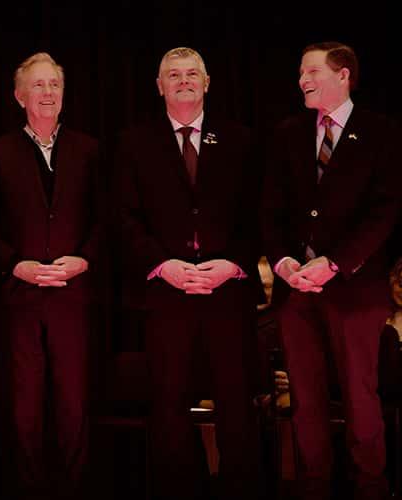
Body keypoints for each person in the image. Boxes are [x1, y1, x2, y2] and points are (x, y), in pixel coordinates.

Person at [116, 47, 263, 499]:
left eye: (192, 73)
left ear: (207, 81)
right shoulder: (133, 142)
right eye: (173, 74)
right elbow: (123, 217)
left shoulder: (240, 139)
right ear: (159, 85)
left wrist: (233, 264)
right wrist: (163, 265)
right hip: (166, 293)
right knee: (168, 407)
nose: (183, 81)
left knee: (238, 406)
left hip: (228, 292)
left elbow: (259, 214)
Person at [263, 41, 400, 500]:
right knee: (306, 404)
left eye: (312, 71)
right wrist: (284, 262)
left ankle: (371, 488)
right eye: (301, 72)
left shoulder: (382, 133)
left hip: (354, 291)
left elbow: (384, 212)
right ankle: (312, 487)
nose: (302, 80)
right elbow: (270, 210)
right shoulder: (286, 134)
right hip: (295, 291)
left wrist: (335, 263)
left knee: (362, 401)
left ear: (343, 76)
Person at [0, 52, 103, 499]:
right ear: (18, 95)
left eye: (54, 85)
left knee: (74, 408)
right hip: (20, 300)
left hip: (73, 298)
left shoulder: (89, 151)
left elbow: (105, 221)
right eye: (38, 85)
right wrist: (16, 265)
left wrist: (84, 259)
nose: (48, 93)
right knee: (23, 409)